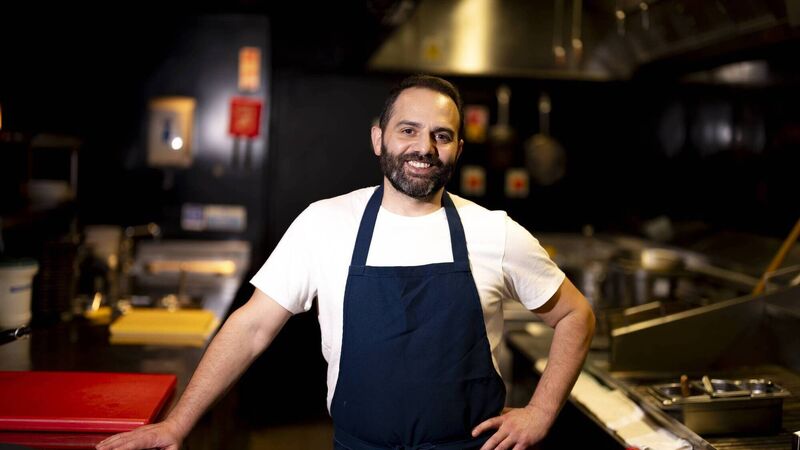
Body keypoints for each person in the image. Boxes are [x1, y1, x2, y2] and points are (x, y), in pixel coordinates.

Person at [97, 75, 595, 450]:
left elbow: (576, 314)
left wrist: (541, 412)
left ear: (458, 149)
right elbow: (251, 327)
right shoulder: (324, 223)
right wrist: (177, 424)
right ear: (379, 139)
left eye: (442, 135)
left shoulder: (495, 232)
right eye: (409, 130)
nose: (424, 147)